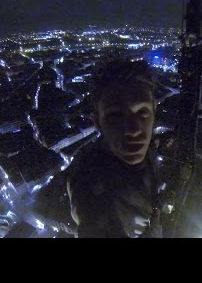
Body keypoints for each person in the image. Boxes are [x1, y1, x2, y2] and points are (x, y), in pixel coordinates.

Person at [66, 60, 163, 238]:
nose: (133, 130)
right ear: (97, 122)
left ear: (154, 115)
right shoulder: (88, 180)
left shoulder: (149, 150)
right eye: (116, 116)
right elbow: (94, 222)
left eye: (142, 112)